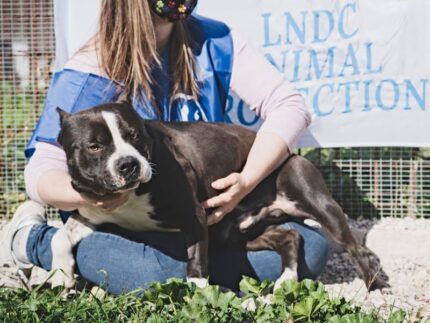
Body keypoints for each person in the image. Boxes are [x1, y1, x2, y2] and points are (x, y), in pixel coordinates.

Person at [0, 0, 329, 294]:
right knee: (160, 274)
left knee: (312, 249)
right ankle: (33, 240)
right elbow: (40, 169)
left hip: (198, 222)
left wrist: (246, 182)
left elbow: (289, 105)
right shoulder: (90, 67)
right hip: (122, 221)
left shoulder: (214, 41)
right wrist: (96, 196)